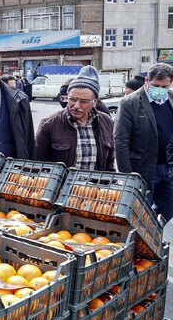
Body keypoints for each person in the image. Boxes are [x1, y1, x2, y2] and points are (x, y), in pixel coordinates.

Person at [114, 63, 173, 222]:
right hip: (143, 169)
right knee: (140, 215)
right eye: (156, 85)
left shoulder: (171, 99)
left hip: (168, 169)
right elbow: (120, 140)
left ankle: (155, 235)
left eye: (164, 86)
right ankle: (147, 242)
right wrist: (127, 175)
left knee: (168, 209)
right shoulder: (129, 103)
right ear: (147, 80)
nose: (160, 89)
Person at [36, 66, 115, 171]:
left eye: (83, 101)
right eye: (72, 99)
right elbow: (38, 164)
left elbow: (109, 163)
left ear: (95, 102)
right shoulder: (49, 124)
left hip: (95, 186)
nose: (76, 106)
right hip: (62, 186)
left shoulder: (106, 121)